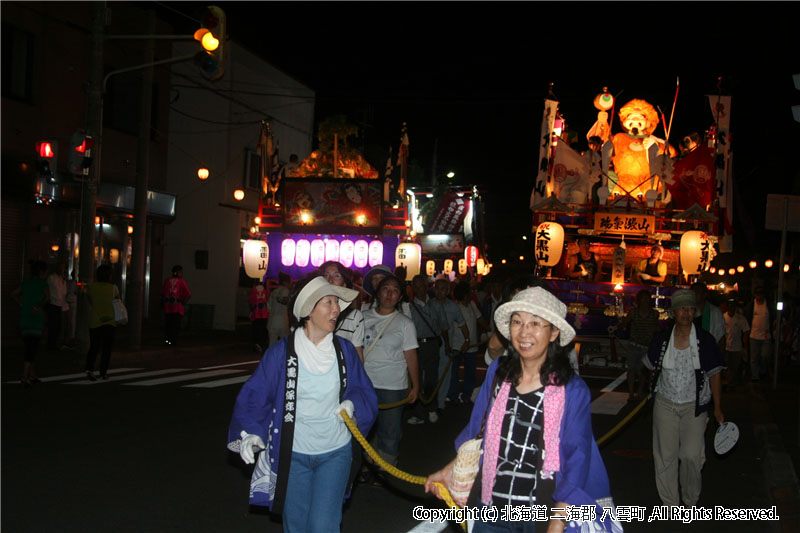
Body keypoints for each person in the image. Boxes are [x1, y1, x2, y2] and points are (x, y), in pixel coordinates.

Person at [425, 287, 621, 533]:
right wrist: (449, 469)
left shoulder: (572, 389)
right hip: (491, 508)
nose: (524, 331)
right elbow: (478, 432)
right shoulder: (498, 373)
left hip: (539, 513)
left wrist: (557, 522)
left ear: (553, 333)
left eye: (536, 323)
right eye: (517, 321)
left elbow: (576, 457)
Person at [227, 276, 377, 533]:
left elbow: (362, 389)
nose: (336, 309)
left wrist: (353, 404)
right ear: (307, 310)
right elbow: (257, 394)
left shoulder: (345, 351)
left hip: (335, 452)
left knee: (323, 525)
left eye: (337, 303)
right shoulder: (280, 354)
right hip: (293, 454)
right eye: (328, 302)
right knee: (295, 524)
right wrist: (251, 431)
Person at [642, 289, 725, 507]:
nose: (686, 313)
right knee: (665, 456)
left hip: (694, 406)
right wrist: (649, 390)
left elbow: (715, 373)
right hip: (665, 403)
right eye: (681, 309)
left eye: (690, 308)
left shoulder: (705, 340)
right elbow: (650, 367)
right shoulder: (661, 339)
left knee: (691, 455)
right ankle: (670, 503)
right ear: (673, 313)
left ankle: (690, 498)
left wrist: (717, 407)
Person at [362, 275, 420, 467]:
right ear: (378, 293)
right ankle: (366, 464)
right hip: (365, 383)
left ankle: (385, 468)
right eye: (385, 288)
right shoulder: (363, 318)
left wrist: (415, 386)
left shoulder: (405, 323)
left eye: (395, 290)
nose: (389, 293)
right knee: (364, 427)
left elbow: (411, 356)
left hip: (392, 385)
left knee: (389, 430)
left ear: (400, 297)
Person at [406, 274, 443, 425]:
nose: (420, 289)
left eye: (422, 285)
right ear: (413, 288)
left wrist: (446, 343)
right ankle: (418, 413)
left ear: (427, 287)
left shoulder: (435, 304)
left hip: (432, 344)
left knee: (431, 378)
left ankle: (432, 408)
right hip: (415, 345)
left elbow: (443, 326)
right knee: (416, 380)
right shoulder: (408, 307)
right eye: (417, 286)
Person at [430, 278, 470, 414]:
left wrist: (467, 339)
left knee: (444, 376)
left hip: (446, 347)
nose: (439, 292)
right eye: (437, 288)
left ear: (447, 291)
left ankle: (440, 404)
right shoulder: (429, 305)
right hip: (430, 346)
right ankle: (430, 402)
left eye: (442, 289)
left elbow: (462, 324)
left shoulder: (453, 306)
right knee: (430, 376)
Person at [615, 288, 661, 402]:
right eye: (643, 299)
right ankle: (631, 393)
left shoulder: (654, 314)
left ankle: (639, 392)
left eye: (647, 299)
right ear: (639, 300)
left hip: (647, 346)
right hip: (634, 344)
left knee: (643, 371)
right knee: (631, 370)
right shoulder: (633, 313)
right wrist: (618, 327)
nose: (645, 301)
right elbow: (625, 323)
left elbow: (656, 327)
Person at [448, 281, 489, 404]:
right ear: (465, 295)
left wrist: (489, 329)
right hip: (457, 345)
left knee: (470, 372)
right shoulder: (454, 307)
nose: (472, 294)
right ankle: (453, 394)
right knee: (453, 372)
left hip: (472, 346)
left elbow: (479, 318)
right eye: (470, 293)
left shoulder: (471, 304)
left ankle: (467, 394)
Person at [12, 260, 49, 387]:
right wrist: (38, 306)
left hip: (25, 317)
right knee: (32, 348)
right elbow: (47, 298)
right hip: (36, 318)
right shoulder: (43, 284)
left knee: (29, 346)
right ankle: (25, 375)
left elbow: (14, 294)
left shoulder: (26, 283)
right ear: (41, 272)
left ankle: (32, 375)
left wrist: (22, 304)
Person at [321, 261, 365, 362]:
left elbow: (357, 354)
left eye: (336, 276)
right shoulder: (309, 312)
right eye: (326, 275)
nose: (330, 280)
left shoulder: (354, 316)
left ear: (344, 284)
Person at [85, 264, 120, 381]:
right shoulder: (113, 288)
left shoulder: (92, 287)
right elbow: (117, 301)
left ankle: (89, 369)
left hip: (95, 320)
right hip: (109, 321)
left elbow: (90, 300)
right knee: (106, 348)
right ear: (109, 276)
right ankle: (103, 372)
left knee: (94, 347)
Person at [744, 286, 773, 381]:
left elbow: (774, 317)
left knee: (765, 356)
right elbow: (747, 317)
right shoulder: (751, 306)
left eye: (761, 294)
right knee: (754, 358)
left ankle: (763, 371)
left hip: (766, 336)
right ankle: (755, 376)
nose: (759, 296)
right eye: (757, 294)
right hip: (754, 336)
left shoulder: (768, 305)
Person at [723, 298, 749, 388]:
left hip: (737, 347)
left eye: (733, 306)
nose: (731, 308)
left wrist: (745, 347)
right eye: (729, 305)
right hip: (726, 347)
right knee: (726, 365)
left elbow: (745, 332)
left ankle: (732, 383)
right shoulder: (723, 317)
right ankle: (728, 382)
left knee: (735, 366)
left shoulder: (740, 318)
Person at [161, 265, 191, 346]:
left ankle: (167, 340)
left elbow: (163, 293)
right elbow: (188, 293)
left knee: (168, 325)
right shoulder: (181, 282)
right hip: (177, 307)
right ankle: (173, 341)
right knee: (175, 326)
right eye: (181, 272)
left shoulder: (167, 281)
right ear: (178, 272)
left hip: (168, 307)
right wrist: (183, 301)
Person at [691, 282, 725, 348]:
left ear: (704, 294)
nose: (694, 294)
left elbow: (721, 336)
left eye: (697, 292)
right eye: (692, 292)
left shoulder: (715, 312)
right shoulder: (687, 311)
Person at [45, 262, 68, 349]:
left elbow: (63, 293)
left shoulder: (62, 279)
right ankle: (51, 343)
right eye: (61, 268)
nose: (63, 270)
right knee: (53, 325)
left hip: (60, 305)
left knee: (58, 326)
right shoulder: (52, 278)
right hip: (53, 304)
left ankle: (54, 343)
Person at [268, 272, 291, 347]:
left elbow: (269, 306)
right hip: (282, 322)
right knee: (285, 345)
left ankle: (271, 358)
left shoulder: (274, 292)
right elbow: (284, 301)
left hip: (272, 321)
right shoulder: (285, 290)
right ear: (285, 282)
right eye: (289, 282)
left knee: (272, 344)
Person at [249, 280, 269, 353]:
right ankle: (262, 346)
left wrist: (251, 310)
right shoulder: (265, 289)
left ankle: (256, 345)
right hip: (264, 313)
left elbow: (251, 301)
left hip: (256, 313)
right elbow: (267, 301)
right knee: (263, 330)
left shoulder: (254, 289)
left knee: (256, 330)